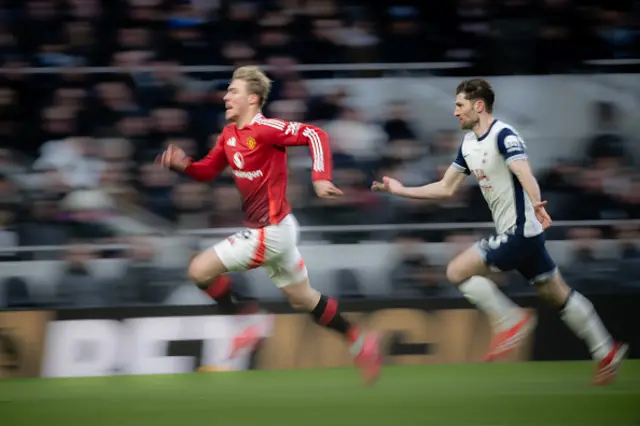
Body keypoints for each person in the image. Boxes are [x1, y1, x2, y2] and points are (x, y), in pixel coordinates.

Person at [372, 78, 628, 385]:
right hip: (525, 235)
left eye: (460, 105)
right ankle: (606, 350)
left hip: (520, 231)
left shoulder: (504, 135)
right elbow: (445, 187)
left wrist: (537, 203)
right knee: (557, 295)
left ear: (478, 106)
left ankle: (511, 319)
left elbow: (523, 170)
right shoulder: (468, 144)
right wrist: (402, 190)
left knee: (456, 271)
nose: (455, 112)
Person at [157, 66, 382, 384]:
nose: (226, 96)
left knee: (198, 270)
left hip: (270, 230)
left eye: (233, 91)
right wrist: (185, 166)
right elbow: (207, 171)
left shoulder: (265, 129)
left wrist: (320, 178)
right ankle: (360, 339)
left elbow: (315, 134)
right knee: (304, 299)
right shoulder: (229, 135)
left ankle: (249, 321)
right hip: (277, 231)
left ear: (252, 99)